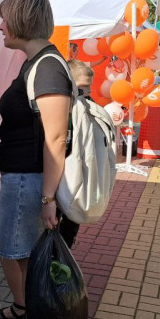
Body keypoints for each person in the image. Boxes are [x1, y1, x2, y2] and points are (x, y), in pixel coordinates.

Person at [0, 0, 72, 319]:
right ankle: (23, 309)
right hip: (21, 177)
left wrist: (48, 198)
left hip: (30, 179)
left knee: (25, 257)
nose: (1, 26)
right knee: (5, 243)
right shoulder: (37, 62)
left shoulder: (47, 67)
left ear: (22, 20)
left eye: (5, 19)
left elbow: (55, 139)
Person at [57, 58, 95, 249]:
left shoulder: (89, 106)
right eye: (83, 87)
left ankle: (63, 252)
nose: (88, 91)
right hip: (57, 172)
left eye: (89, 86)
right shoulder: (58, 106)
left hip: (77, 175)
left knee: (72, 219)